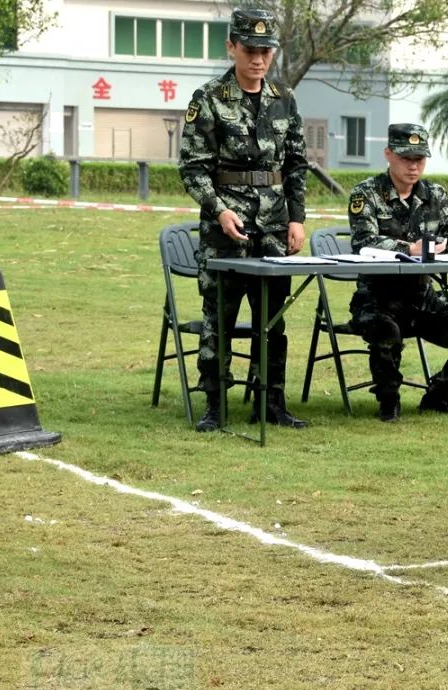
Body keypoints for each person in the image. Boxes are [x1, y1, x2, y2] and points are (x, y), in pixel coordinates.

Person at [179, 7, 309, 433]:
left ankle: (271, 402)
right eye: (250, 49)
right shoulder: (209, 98)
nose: (258, 59)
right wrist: (219, 209)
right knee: (220, 317)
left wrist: (297, 219)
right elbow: (193, 169)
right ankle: (214, 405)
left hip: (273, 227)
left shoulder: (284, 98)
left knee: (273, 319)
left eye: (266, 51)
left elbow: (296, 164)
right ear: (231, 47)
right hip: (225, 228)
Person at [346, 123, 448, 423]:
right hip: (376, 298)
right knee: (387, 331)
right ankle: (388, 399)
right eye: (406, 159)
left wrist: (441, 246)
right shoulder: (366, 194)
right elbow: (363, 241)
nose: (413, 166)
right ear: (388, 155)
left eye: (419, 159)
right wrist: (409, 248)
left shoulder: (435, 195)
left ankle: (438, 394)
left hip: (422, 297)